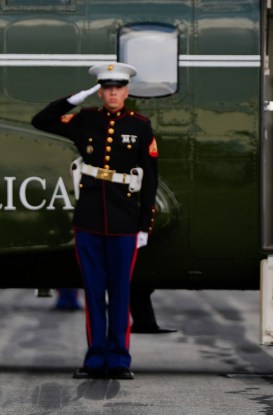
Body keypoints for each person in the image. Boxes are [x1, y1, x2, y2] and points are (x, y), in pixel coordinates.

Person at [31, 62, 158, 380]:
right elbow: (41, 120)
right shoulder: (84, 120)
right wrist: (76, 98)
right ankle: (94, 360)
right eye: (106, 88)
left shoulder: (140, 126)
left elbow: (150, 180)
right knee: (93, 291)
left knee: (120, 293)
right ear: (100, 91)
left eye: (118, 88)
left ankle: (118, 361)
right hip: (89, 221)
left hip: (125, 224)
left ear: (126, 92)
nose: (112, 93)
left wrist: (144, 226)